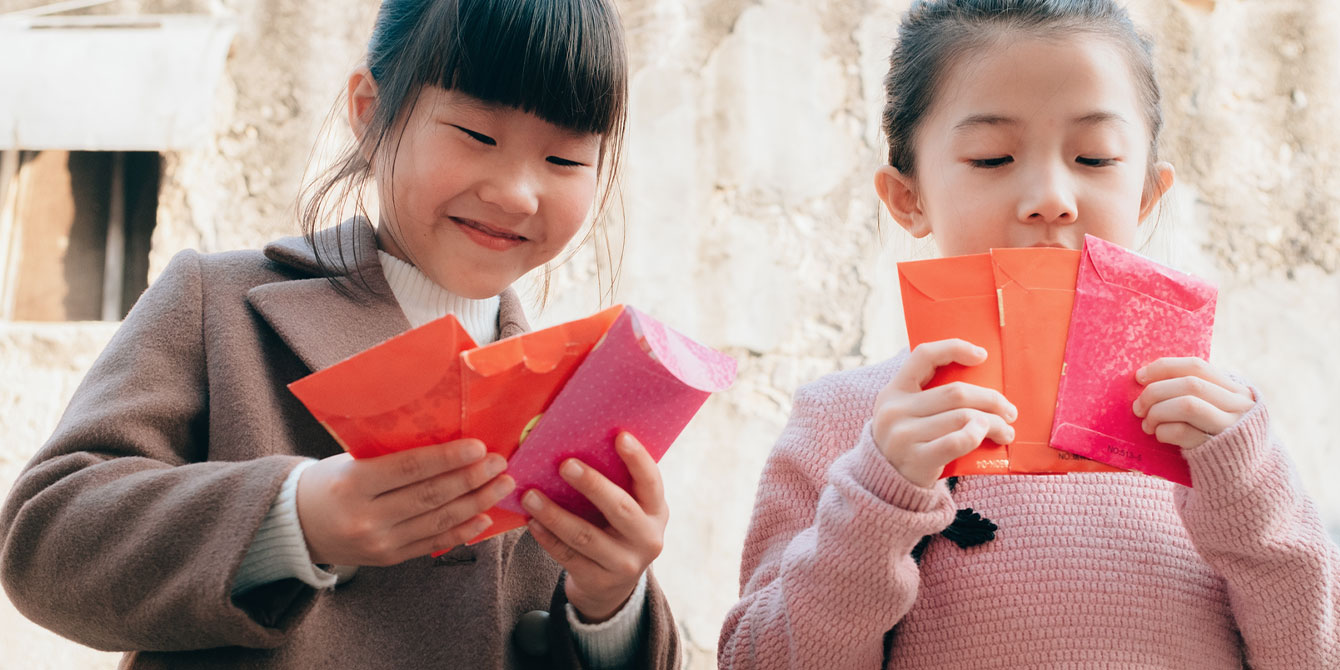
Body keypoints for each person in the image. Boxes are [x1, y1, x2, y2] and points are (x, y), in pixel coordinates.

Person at [0, 1, 680, 668]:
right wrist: (294, 519)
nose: (517, 192)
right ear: (368, 113)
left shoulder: (573, 392)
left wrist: (613, 605)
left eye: (564, 160)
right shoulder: (217, 305)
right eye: (478, 135)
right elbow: (43, 539)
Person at [718, 0, 1340, 667]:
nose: (1050, 196)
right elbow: (760, 657)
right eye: (993, 158)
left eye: (1095, 158)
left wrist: (1252, 495)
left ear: (1147, 197)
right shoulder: (842, 425)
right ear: (909, 198)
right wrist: (878, 495)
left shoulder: (1217, 430)